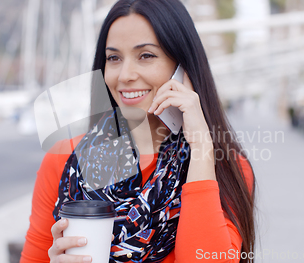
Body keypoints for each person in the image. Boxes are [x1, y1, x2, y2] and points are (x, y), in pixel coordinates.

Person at [20, 0, 256, 262]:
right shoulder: (64, 158)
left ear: (183, 68)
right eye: (114, 58)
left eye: (146, 55)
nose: (125, 75)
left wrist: (201, 148)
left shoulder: (225, 167)